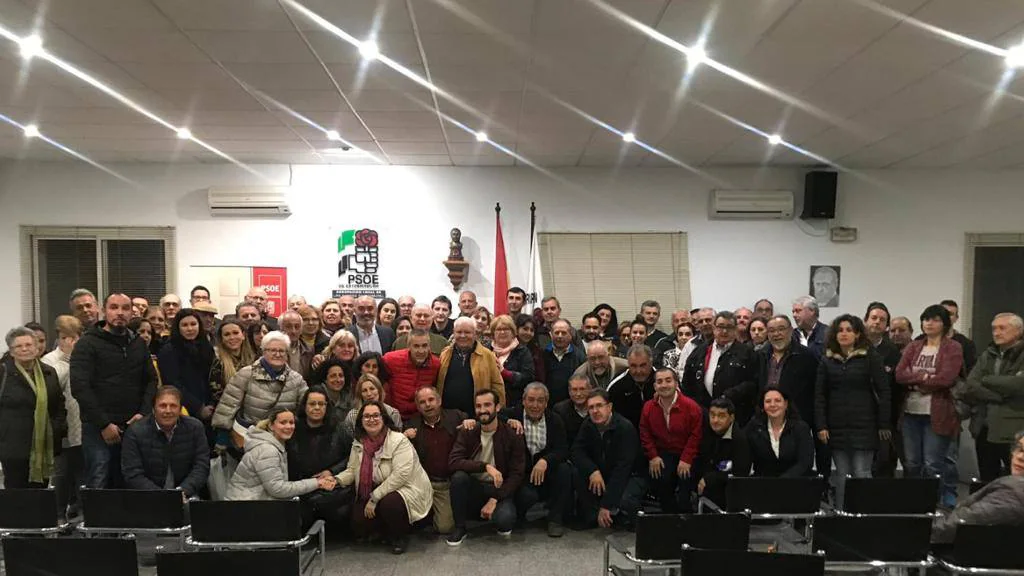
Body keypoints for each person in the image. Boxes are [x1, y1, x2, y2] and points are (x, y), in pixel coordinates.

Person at [71, 293, 157, 489]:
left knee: (131, 480)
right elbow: (80, 387)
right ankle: (95, 521)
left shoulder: (138, 344)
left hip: (134, 425)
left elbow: (151, 380)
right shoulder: (87, 343)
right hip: (98, 428)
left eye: (125, 308)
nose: (120, 313)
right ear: (104, 311)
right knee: (99, 480)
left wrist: (142, 413)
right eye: (114, 307)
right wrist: (104, 424)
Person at [814, 314, 891, 509]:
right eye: (840, 330)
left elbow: (884, 391)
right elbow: (820, 395)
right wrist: (821, 424)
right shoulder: (827, 360)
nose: (844, 334)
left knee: (861, 472)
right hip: (836, 426)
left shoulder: (870, 356)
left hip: (865, 425)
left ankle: (864, 515)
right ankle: (841, 514)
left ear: (857, 334)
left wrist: (884, 423)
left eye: (849, 330)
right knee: (841, 474)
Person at [337, 400, 432, 554]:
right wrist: (336, 480)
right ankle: (385, 530)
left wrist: (374, 498)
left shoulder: (398, 440)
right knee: (358, 519)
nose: (371, 419)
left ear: (384, 418)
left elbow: (400, 475)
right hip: (378, 486)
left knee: (390, 503)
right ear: (361, 421)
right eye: (366, 416)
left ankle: (399, 536)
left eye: (376, 415)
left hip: (407, 488)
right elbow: (352, 470)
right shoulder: (358, 442)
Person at [895, 305, 963, 509]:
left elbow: (946, 378)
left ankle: (935, 504)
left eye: (934, 320)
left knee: (933, 463)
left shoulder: (953, 347)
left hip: (937, 412)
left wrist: (916, 381)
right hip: (910, 412)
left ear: (944, 324)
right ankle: (915, 502)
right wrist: (924, 377)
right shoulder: (914, 346)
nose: (929, 323)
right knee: (912, 462)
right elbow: (899, 375)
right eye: (925, 319)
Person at [447, 389, 526, 544]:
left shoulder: (512, 433)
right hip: (475, 486)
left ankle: (491, 511)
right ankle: (460, 528)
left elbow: (517, 474)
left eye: (487, 405)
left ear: (497, 407)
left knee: (505, 521)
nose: (482, 410)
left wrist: (494, 499)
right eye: (478, 406)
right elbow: (454, 461)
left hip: (499, 488)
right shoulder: (468, 431)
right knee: (458, 478)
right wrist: (486, 466)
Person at [212, 332, 309, 453]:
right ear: (263, 351)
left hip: (282, 440)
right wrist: (222, 441)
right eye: (272, 350)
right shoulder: (246, 374)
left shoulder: (296, 379)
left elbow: (306, 406)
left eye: (282, 351)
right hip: (249, 439)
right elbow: (227, 406)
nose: (277, 354)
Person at [403, 387, 476, 535]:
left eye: (431, 400)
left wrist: (471, 422)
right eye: (422, 402)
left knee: (445, 528)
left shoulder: (457, 416)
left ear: (439, 401)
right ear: (417, 407)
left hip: (446, 484)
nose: (428, 405)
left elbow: (476, 430)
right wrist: (404, 437)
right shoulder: (412, 424)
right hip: (423, 484)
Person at [1, 327, 67, 488]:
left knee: (40, 494)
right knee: (16, 494)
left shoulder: (48, 373)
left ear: (37, 347)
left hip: (43, 445)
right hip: (12, 446)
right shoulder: (3, 373)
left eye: (29, 344)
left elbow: (59, 406)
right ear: (11, 351)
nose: (24, 349)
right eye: (19, 346)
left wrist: (57, 429)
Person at [572, 389, 647, 529]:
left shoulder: (625, 428)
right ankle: (594, 515)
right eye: (591, 407)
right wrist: (592, 470)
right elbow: (577, 451)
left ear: (609, 407)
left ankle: (619, 516)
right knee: (577, 472)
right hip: (603, 472)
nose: (595, 411)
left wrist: (606, 505)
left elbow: (623, 469)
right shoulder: (588, 425)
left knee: (626, 500)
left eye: (599, 405)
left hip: (631, 475)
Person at [930, 432, 1024, 544]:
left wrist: (914, 528)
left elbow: (957, 527)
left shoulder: (1012, 494)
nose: (1020, 457)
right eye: (1020, 449)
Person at [504, 383, 571, 537]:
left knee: (565, 470)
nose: (535, 405)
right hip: (522, 475)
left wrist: (545, 460)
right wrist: (508, 421)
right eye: (531, 400)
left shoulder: (555, 420)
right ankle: (519, 516)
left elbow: (562, 449)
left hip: (546, 473)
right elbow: (494, 414)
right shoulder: (514, 414)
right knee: (526, 496)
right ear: (523, 401)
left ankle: (555, 519)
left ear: (546, 403)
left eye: (540, 401)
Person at [963, 313, 1024, 481]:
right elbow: (971, 384)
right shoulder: (987, 354)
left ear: (1018, 331)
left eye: (1002, 328)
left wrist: (987, 379)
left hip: (1014, 428)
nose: (996, 333)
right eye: (994, 329)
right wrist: (999, 396)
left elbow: (1018, 386)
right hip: (984, 426)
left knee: (1016, 481)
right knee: (988, 479)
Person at [226, 407, 334, 500]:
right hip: (245, 508)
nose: (288, 427)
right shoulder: (268, 450)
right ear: (271, 426)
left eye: (291, 423)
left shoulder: (274, 445)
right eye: (283, 422)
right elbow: (277, 489)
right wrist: (317, 483)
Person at [120, 386, 210, 499]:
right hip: (147, 498)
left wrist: (183, 491)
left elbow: (201, 466)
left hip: (186, 495)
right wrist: (163, 497)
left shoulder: (195, 428)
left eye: (173, 406)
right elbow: (132, 473)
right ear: (153, 409)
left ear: (180, 409)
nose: (168, 411)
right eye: (163, 406)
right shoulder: (134, 432)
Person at [759, 315, 821, 471]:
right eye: (772, 330)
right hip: (767, 420)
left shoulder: (807, 356)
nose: (776, 334)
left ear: (791, 331)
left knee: (797, 468)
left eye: (781, 329)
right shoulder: (760, 355)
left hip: (797, 421)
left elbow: (816, 391)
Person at [288, 386, 353, 528]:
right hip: (300, 485)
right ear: (304, 406)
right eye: (312, 404)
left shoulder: (339, 428)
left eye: (321, 404)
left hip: (332, 487)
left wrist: (332, 471)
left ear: (327, 407)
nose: (316, 408)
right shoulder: (292, 429)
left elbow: (353, 456)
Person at [640, 367, 703, 513]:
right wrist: (653, 456)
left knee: (685, 487)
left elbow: (696, 435)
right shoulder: (648, 408)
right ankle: (669, 520)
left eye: (668, 380)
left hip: (687, 454)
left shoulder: (691, 407)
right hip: (663, 454)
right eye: (660, 382)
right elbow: (645, 433)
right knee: (661, 480)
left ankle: (686, 521)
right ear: (655, 386)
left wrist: (686, 459)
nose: (664, 385)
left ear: (676, 383)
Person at [681, 311, 759, 426]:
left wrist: (729, 395)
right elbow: (688, 382)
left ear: (735, 329)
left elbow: (753, 383)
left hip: (736, 416)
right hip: (703, 415)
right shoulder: (700, 351)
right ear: (714, 328)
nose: (724, 331)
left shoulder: (747, 353)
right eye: (721, 327)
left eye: (729, 327)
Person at [42, 315, 84, 520]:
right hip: (62, 430)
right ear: (60, 338)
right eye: (68, 337)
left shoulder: (83, 357)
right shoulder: (49, 360)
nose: (72, 341)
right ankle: (58, 516)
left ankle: (80, 513)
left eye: (75, 336)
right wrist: (69, 358)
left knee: (82, 475)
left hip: (83, 427)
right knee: (61, 475)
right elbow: (52, 387)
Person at [863, 302, 905, 478]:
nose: (877, 322)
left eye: (882, 320)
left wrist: (889, 420)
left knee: (884, 462)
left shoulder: (893, 352)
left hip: (886, 417)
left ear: (887, 326)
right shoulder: (854, 346)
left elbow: (897, 388)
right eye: (873, 318)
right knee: (862, 463)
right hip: (859, 415)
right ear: (865, 320)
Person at [157, 309, 216, 426]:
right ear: (177, 328)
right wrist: (198, 407)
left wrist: (212, 404)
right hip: (183, 409)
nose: (190, 329)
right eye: (184, 325)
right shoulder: (169, 350)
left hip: (210, 407)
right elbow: (173, 383)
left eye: (193, 324)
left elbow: (212, 376)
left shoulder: (206, 346)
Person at [437, 317, 505, 417]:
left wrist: (499, 410)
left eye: (467, 332)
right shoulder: (445, 353)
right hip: (447, 416)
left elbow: (497, 384)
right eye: (459, 332)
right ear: (453, 333)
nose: (463, 336)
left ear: (475, 334)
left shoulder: (488, 355)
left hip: (477, 415)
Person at [746, 387, 814, 478]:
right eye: (768, 401)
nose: (772, 405)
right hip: (763, 484)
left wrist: (781, 482)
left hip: (795, 483)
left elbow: (805, 463)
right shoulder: (753, 427)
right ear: (763, 406)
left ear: (786, 404)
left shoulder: (801, 428)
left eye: (777, 401)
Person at [696, 397, 751, 508]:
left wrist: (710, 478)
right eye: (712, 415)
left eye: (721, 416)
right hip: (706, 485)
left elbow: (740, 475)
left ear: (731, 418)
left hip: (730, 492)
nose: (715, 420)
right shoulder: (705, 432)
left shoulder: (740, 440)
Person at [381, 330, 440, 420]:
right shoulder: (391, 359)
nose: (421, 351)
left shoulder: (436, 364)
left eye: (424, 346)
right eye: (416, 346)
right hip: (393, 416)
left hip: (421, 417)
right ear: (409, 346)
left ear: (429, 346)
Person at [490, 314, 536, 409]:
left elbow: (528, 377)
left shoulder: (522, 351)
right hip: (490, 405)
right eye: (498, 329)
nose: (502, 332)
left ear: (513, 332)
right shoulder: (486, 350)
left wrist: (505, 373)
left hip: (514, 406)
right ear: (493, 333)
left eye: (506, 329)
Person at [607, 344, 657, 430]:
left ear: (651, 362)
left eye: (643, 365)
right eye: (633, 366)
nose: (638, 371)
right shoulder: (616, 386)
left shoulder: (664, 381)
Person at [209, 320, 256, 407]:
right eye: (227, 334)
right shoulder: (217, 362)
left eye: (235, 333)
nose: (232, 337)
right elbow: (217, 394)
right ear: (222, 339)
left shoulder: (255, 359)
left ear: (243, 335)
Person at [542, 319, 587, 405]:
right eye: (557, 332)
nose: (560, 336)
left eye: (564, 333)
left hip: (571, 405)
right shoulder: (543, 355)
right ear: (551, 335)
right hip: (548, 404)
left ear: (570, 335)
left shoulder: (580, 357)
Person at [316, 358, 357, 424]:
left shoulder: (349, 397)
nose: (338, 380)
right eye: (333, 376)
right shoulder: (316, 395)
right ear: (325, 379)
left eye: (341, 376)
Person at [554, 374, 591, 446]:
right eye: (574, 389)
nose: (578, 394)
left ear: (590, 389)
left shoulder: (596, 408)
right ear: (569, 391)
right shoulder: (560, 411)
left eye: (582, 389)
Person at [516, 313, 545, 384]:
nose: (528, 333)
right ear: (516, 329)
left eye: (532, 330)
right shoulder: (508, 348)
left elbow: (540, 378)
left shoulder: (537, 352)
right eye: (525, 329)